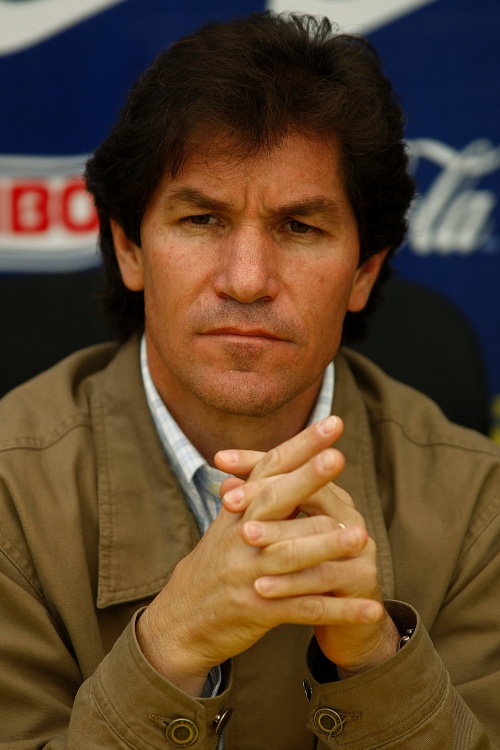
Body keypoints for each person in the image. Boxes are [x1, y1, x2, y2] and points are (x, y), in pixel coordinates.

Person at [0, 11, 499, 750]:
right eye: (202, 219)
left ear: (364, 273)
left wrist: (376, 659)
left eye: (299, 227)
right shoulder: (8, 496)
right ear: (130, 249)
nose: (246, 280)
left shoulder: (480, 512)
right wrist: (168, 647)